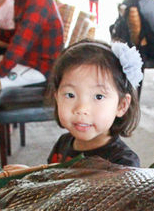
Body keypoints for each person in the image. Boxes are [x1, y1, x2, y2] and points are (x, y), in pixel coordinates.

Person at [46, 39, 142, 167]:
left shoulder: (123, 164)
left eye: (98, 96)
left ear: (121, 105)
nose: (81, 109)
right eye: (70, 95)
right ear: (57, 97)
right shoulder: (63, 143)